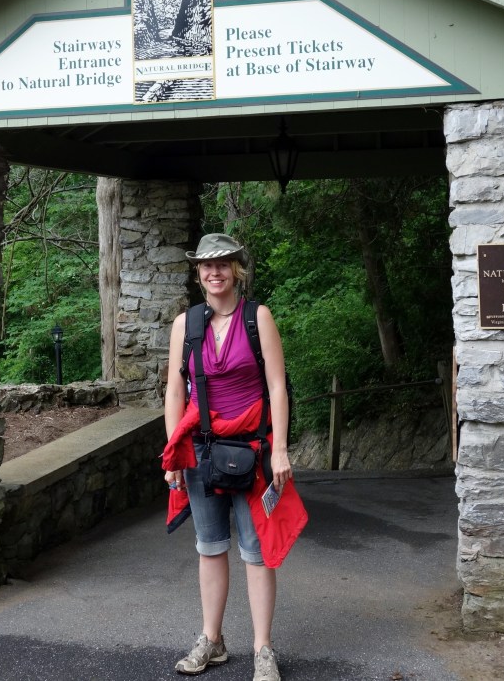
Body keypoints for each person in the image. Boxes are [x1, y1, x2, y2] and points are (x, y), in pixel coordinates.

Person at [162, 233, 306, 681]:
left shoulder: (256, 318)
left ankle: (263, 648)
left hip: (252, 451)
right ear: (198, 273)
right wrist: (172, 453)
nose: (214, 272)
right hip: (201, 452)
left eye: (222, 264)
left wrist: (280, 449)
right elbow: (173, 390)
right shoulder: (185, 325)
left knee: (257, 550)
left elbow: (278, 387)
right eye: (206, 266)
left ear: (236, 270)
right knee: (209, 548)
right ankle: (214, 640)